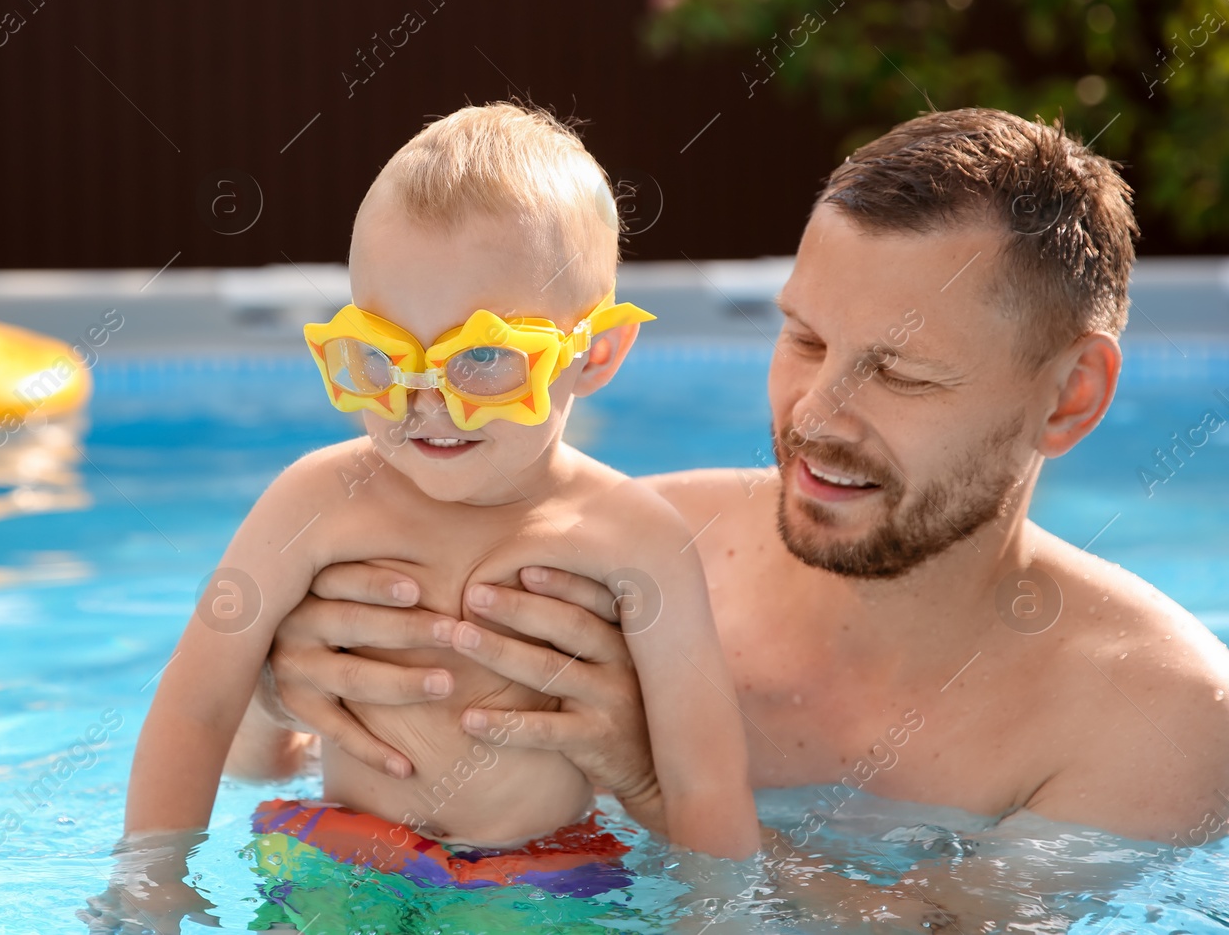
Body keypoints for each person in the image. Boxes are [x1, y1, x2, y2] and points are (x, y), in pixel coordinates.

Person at [233, 108, 1229, 855]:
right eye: (802, 338)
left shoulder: (1154, 716)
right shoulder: (636, 541)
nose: (816, 417)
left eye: (899, 372)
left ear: (1069, 397)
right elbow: (277, 775)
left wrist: (651, 784)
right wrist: (276, 687)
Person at [124, 103, 759, 931]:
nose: (425, 404)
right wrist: (150, 891)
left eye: (483, 356)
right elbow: (194, 705)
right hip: (346, 857)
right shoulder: (312, 501)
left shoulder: (636, 539)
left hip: (542, 878)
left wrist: (720, 918)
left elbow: (703, 781)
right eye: (382, 356)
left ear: (595, 353)